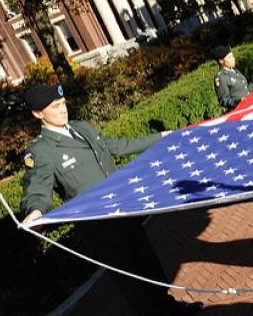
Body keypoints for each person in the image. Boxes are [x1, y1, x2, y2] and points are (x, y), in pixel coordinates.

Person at [19, 84, 203, 316]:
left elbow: (117, 146)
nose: (63, 110)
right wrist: (35, 212)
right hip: (101, 229)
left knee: (149, 268)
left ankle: (170, 308)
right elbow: (37, 189)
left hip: (125, 212)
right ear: (37, 114)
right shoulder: (41, 151)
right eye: (55, 107)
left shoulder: (82, 128)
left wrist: (162, 138)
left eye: (63, 103)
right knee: (134, 283)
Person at [212, 44, 253, 111]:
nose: (234, 58)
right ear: (221, 61)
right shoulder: (220, 77)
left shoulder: (235, 71)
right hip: (238, 111)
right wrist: (238, 101)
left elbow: (246, 89)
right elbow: (224, 100)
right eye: (230, 57)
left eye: (232, 56)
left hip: (249, 106)